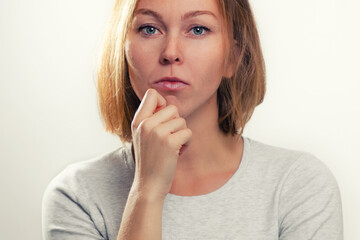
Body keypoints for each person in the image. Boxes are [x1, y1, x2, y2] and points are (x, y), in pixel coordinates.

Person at [42, 0, 344, 239]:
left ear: (233, 56)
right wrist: (147, 191)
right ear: (123, 48)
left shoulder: (299, 186)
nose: (171, 53)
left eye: (198, 29)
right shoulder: (77, 196)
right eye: (149, 29)